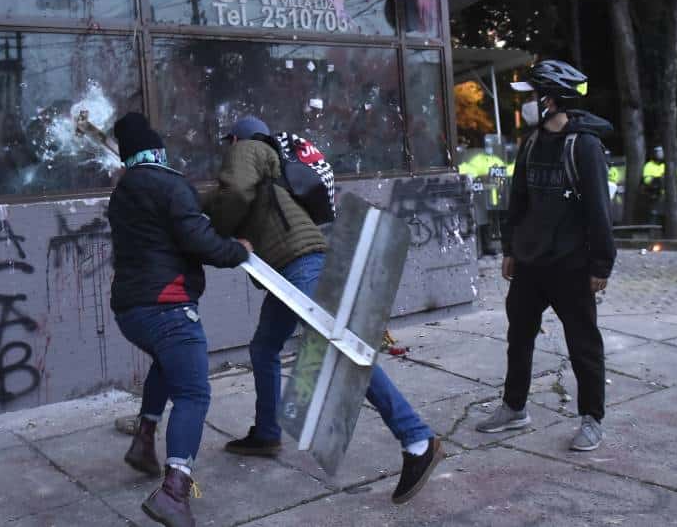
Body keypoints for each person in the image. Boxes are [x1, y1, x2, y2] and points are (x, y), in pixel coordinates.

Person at [204, 116, 444, 504]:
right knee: (264, 348)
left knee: (343, 352)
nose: (227, 148)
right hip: (289, 270)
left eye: (229, 140)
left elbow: (231, 196)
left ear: (238, 138)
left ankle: (417, 439)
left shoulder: (248, 150)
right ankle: (266, 432)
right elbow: (230, 197)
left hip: (298, 268)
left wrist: (211, 225)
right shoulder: (271, 168)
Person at [108, 112, 252, 527]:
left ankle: (144, 440)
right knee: (193, 393)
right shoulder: (170, 184)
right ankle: (174, 491)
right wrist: (237, 249)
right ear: (158, 149)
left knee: (166, 365)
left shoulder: (124, 191)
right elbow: (198, 240)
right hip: (167, 305)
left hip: (130, 310)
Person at [476, 60, 616, 451]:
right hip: (530, 264)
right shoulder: (533, 142)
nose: (532, 105)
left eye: (537, 96)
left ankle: (592, 419)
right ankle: (514, 407)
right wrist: (509, 249)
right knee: (518, 337)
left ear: (553, 100)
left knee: (583, 344)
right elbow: (516, 199)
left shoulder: (584, 146)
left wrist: (601, 263)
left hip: (572, 266)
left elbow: (599, 210)